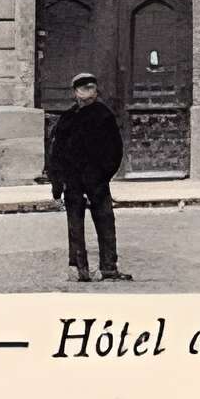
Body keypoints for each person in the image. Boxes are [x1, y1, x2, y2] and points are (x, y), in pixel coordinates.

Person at [47, 72, 132, 282]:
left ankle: (109, 268)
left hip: (97, 180)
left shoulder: (104, 116)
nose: (89, 93)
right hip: (73, 181)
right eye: (84, 89)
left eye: (92, 88)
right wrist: (58, 185)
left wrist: (103, 175)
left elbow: (115, 150)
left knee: (105, 222)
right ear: (75, 92)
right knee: (75, 225)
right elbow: (55, 154)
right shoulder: (67, 119)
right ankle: (79, 268)